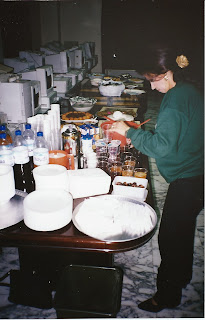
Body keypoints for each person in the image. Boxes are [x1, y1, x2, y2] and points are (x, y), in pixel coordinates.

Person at [110, 45, 204, 312]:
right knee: (183, 233)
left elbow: (161, 147)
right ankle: (181, 278)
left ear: (167, 74)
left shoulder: (174, 101)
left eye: (152, 80)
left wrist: (128, 132)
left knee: (171, 239)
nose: (151, 87)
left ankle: (167, 295)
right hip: (198, 172)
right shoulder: (188, 90)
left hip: (189, 178)